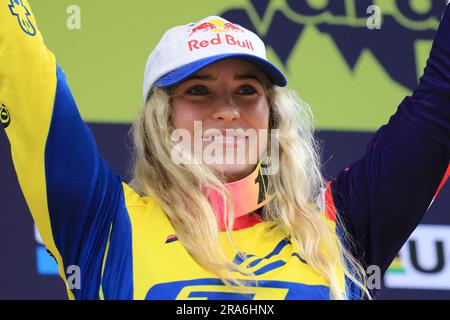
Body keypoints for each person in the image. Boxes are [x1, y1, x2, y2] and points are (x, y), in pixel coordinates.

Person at [0, 0, 449, 300]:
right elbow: (24, 73)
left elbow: (440, 107)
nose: (228, 111)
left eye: (247, 90)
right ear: (162, 119)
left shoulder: (340, 226)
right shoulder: (106, 225)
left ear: (271, 116)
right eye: (199, 90)